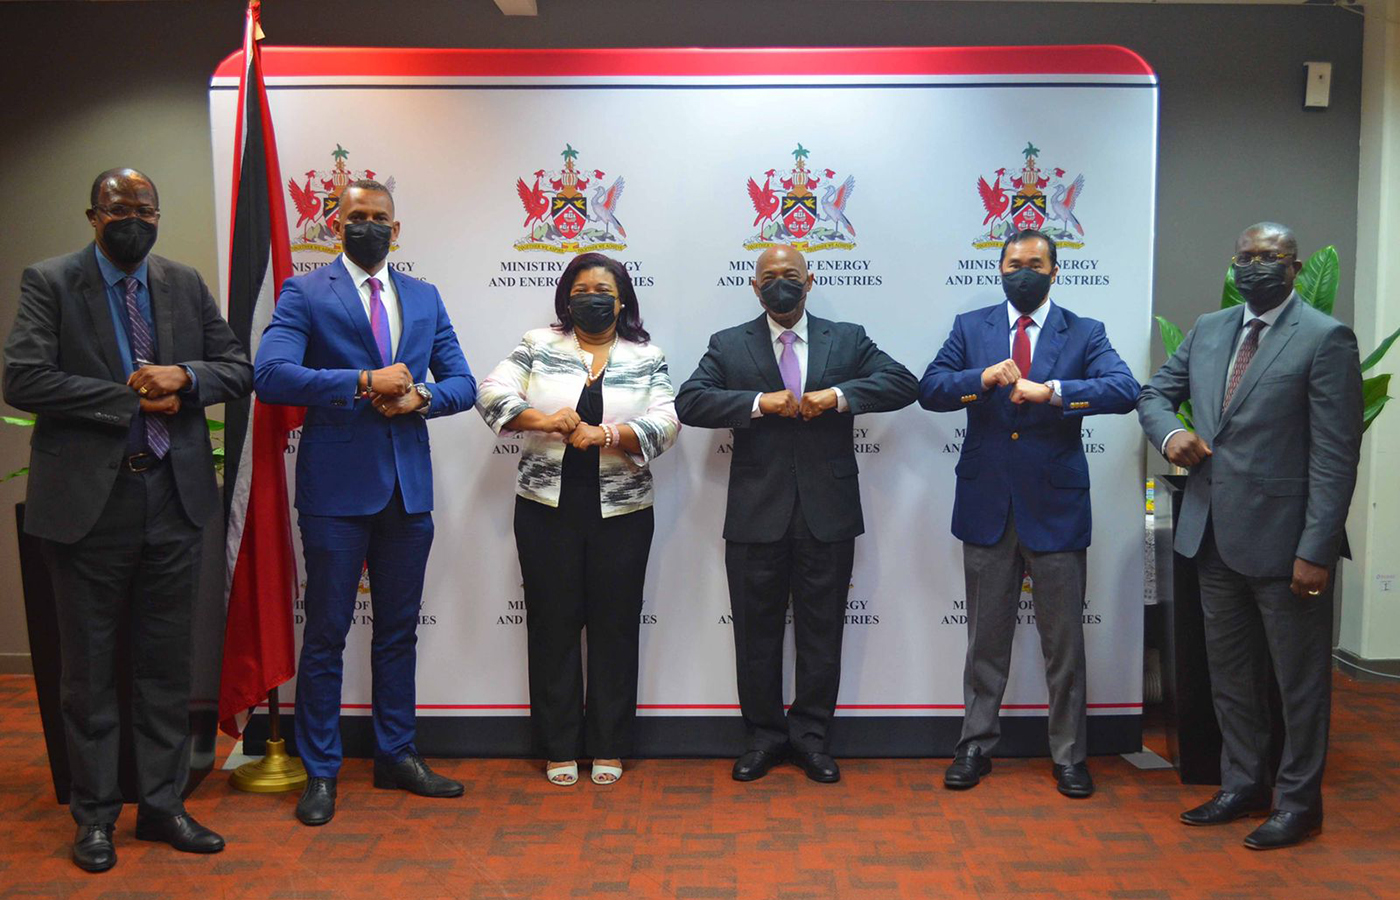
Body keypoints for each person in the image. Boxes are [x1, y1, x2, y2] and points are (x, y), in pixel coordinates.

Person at [3, 168, 252, 871]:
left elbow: (237, 366)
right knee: (87, 674)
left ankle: (164, 807)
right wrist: (126, 399)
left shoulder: (181, 282)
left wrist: (187, 378)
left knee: (165, 669)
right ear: (93, 216)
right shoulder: (50, 282)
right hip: (89, 511)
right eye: (119, 209)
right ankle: (95, 817)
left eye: (145, 208)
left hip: (171, 502)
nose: (133, 219)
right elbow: (23, 377)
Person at [254, 179, 476, 826]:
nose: (369, 226)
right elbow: (270, 376)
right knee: (325, 633)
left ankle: (395, 754)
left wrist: (422, 398)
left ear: (396, 230)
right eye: (357, 217)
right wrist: (360, 381)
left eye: (380, 218)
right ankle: (320, 771)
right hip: (335, 493)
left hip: (408, 491)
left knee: (398, 632)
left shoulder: (424, 297)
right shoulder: (305, 292)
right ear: (336, 223)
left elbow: (461, 380)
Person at [1138, 222, 1362, 849]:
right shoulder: (1211, 330)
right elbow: (1154, 394)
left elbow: (1335, 456)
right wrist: (1170, 434)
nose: (1254, 267)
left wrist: (1315, 550)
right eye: (1244, 257)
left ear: (1293, 268)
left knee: (1298, 683)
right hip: (1211, 537)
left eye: (1268, 257)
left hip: (1289, 547)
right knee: (1229, 676)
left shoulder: (1324, 338)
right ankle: (1243, 785)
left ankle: (1298, 803)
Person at [674, 244, 917, 784]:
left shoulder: (847, 338)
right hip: (755, 514)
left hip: (827, 513)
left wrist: (837, 396)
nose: (780, 284)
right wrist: (759, 404)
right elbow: (689, 402)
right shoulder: (728, 343)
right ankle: (763, 738)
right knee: (755, 637)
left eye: (791, 275)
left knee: (822, 634)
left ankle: (810, 739)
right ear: (753, 286)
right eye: (769, 277)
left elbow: (904, 383)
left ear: (810, 282)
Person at [919, 228, 1140, 799]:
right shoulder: (972, 329)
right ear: (999, 269)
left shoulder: (1085, 331)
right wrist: (981, 378)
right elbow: (931, 389)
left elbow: (1124, 388)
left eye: (1035, 263)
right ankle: (974, 746)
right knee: (984, 640)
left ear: (1055, 271)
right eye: (1014, 263)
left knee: (1063, 642)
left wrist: (1055, 392)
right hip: (987, 504)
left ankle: (1069, 754)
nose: (1024, 271)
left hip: (1055, 508)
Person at [477, 252, 679, 787]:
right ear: (567, 297)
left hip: (624, 510)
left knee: (615, 626)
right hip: (546, 507)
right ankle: (559, 744)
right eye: (583, 288)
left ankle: (610, 743)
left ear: (622, 300)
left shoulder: (647, 355)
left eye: (604, 290)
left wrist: (607, 434)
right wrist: (545, 419)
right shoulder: (538, 345)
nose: (593, 297)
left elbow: (666, 420)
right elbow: (491, 392)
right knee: (553, 624)